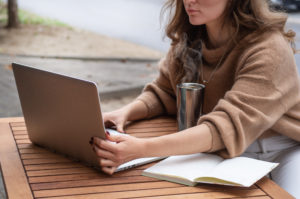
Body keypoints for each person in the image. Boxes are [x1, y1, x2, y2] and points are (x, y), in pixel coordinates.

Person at [90, 0, 300, 197]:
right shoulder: (191, 37)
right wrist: (124, 113)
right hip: (218, 150)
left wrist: (141, 149)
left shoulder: (270, 48)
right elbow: (166, 93)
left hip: (283, 152)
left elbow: (225, 127)